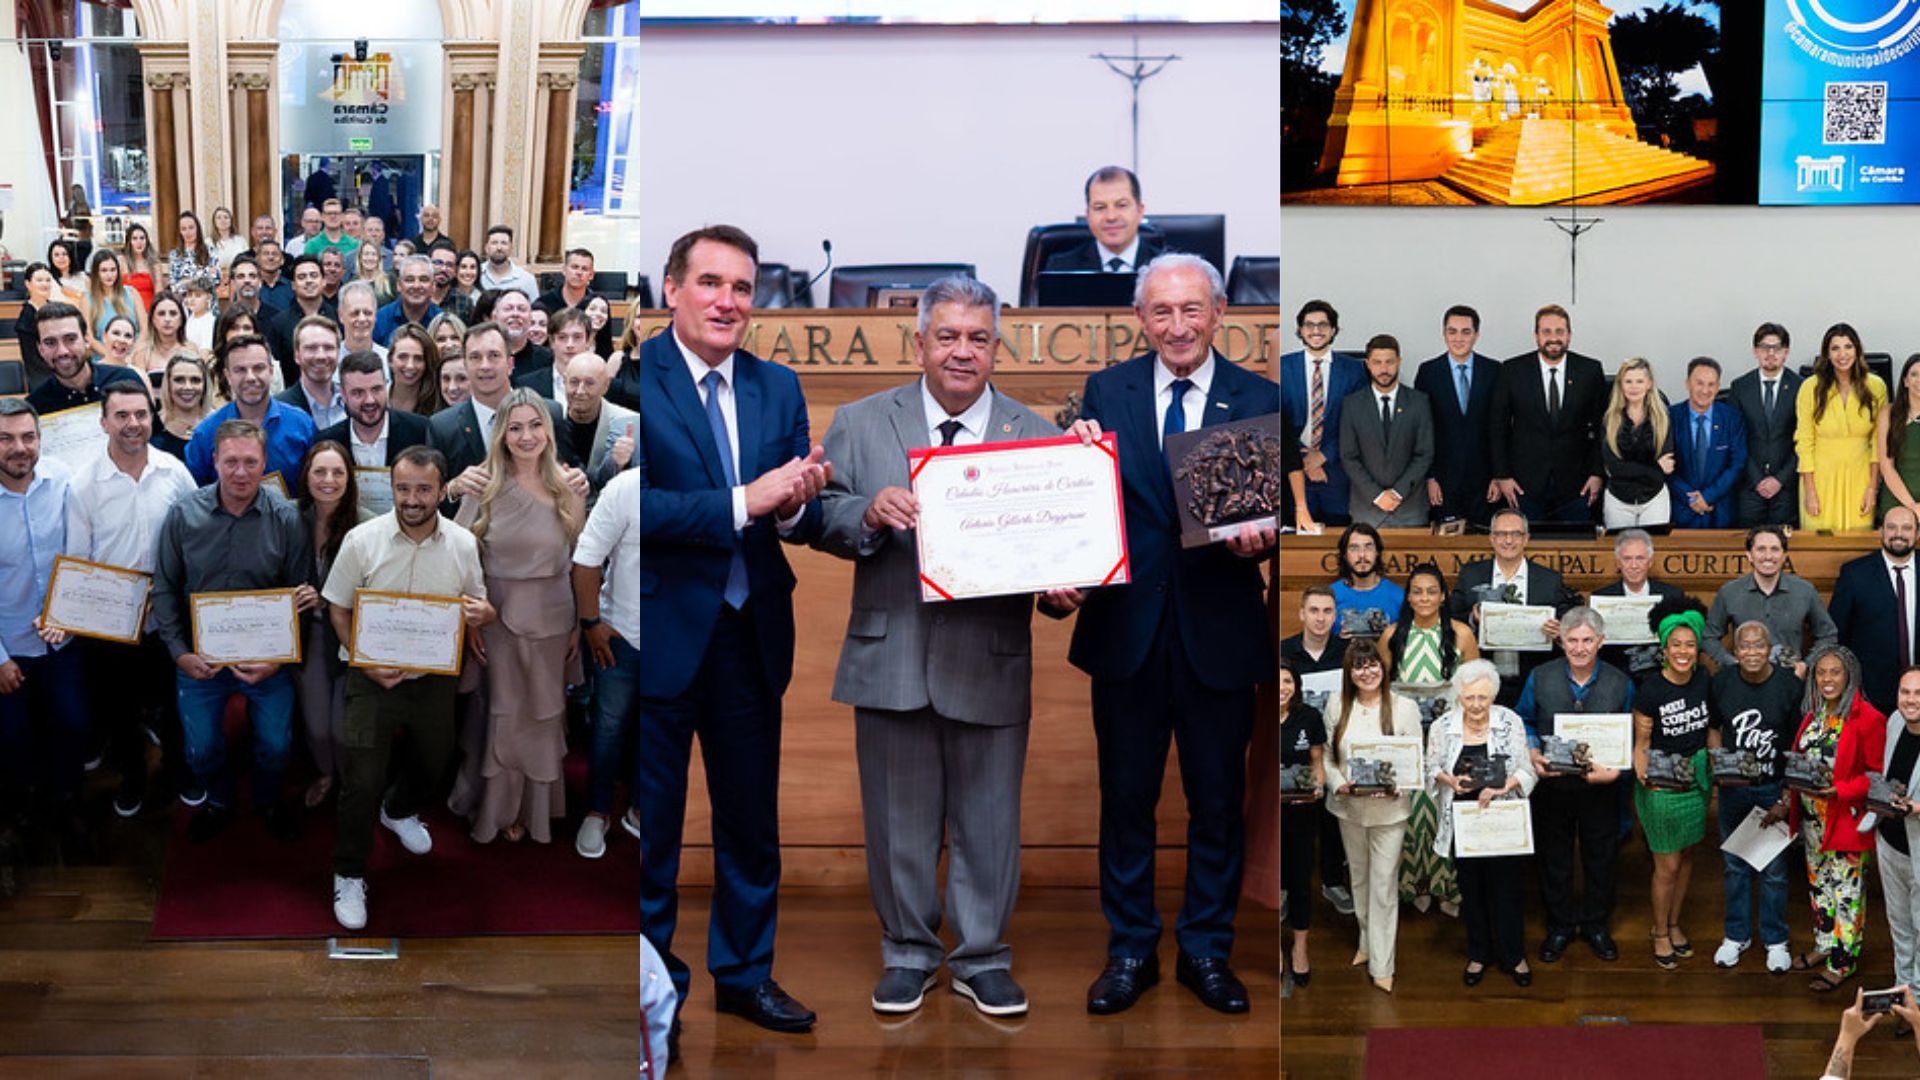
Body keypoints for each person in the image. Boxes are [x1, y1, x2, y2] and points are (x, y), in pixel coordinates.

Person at [808, 276, 1055, 1017]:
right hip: (891, 653)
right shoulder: (858, 421)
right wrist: (866, 513)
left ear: (996, 346)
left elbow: (1056, 553)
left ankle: (983, 957)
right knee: (897, 823)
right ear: (917, 341)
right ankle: (909, 953)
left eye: (978, 338)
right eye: (946, 336)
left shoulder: (1034, 433)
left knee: (989, 822)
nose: (961, 351)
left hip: (992, 654)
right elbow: (812, 514)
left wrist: (1066, 588)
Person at [624, 224, 829, 1034]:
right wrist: (751, 498)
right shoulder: (638, 379)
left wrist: (802, 498)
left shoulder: (777, 388)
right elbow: (637, 508)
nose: (727, 301)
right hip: (664, 634)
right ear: (672, 289)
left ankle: (745, 976)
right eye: (710, 283)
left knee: (750, 823)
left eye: (742, 288)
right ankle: (656, 995)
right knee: (657, 829)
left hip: (751, 635)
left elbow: (795, 517)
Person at [1062, 253, 1277, 1015]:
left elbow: (1275, 514)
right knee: (1126, 800)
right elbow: (1087, 506)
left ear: (1220, 313)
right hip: (1127, 631)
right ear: (1140, 318)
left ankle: (1206, 950)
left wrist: (1268, 538)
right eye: (1161, 312)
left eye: (1192, 310)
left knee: (1215, 803)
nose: (1178, 326)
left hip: (1219, 633)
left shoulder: (1261, 397)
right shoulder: (1104, 392)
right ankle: (1128, 950)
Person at [322, 446, 495, 930]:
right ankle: (350, 872)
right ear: (392, 488)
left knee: (436, 762)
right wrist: (364, 659)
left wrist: (487, 615)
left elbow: (475, 604)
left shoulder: (463, 543)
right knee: (360, 780)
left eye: (423, 489)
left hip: (432, 678)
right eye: (403, 489)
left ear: (443, 490)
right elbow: (337, 608)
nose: (412, 499)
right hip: (369, 677)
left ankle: (397, 811)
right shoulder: (362, 540)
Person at [152, 419, 318, 843]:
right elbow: (166, 587)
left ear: (264, 463)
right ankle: (220, 800)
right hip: (199, 658)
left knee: (277, 746)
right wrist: (178, 653)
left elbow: (299, 598)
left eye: (250, 462)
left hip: (268, 659)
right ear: (214, 461)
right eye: (231, 462)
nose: (240, 472)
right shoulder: (183, 515)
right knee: (200, 750)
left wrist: (277, 659)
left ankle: (266, 799)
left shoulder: (287, 517)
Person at [453, 389, 585, 845]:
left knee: (544, 715)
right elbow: (461, 559)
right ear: (502, 435)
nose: (527, 436)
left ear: (548, 432)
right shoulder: (482, 486)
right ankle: (497, 809)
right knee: (501, 715)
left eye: (535, 426)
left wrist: (577, 625)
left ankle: (537, 812)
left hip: (554, 621)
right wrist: (473, 620)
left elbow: (578, 563)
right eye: (516, 428)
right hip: (495, 620)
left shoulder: (569, 488)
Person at [65, 381, 198, 816]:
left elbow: (195, 540)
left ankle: (179, 769)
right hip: (109, 623)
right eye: (121, 416)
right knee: (118, 709)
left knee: (174, 705)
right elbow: (77, 559)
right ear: (104, 422)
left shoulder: (174, 472)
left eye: (140, 414)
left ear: (151, 416)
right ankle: (133, 778)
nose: (132, 424)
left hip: (168, 618)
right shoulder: (84, 485)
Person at [0, 399, 88, 873]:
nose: (19, 448)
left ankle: (67, 807)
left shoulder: (64, 481)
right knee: (13, 739)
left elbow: (83, 553)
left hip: (64, 641)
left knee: (72, 727)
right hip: (9, 648)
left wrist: (74, 613)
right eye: (6, 439)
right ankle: (23, 818)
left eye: (27, 437)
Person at [1516, 606, 1630, 964]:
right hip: (1555, 785)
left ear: (1600, 642)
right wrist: (1533, 751)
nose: (1579, 648)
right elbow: (1524, 720)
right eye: (1571, 641)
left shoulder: (1620, 682)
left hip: (1602, 787)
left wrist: (1617, 772)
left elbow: (1632, 736)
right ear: (1561, 641)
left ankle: (1596, 925)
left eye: (1587, 641)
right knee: (1555, 858)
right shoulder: (1540, 676)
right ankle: (1560, 926)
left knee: (1602, 858)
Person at [1429, 659, 1538, 987]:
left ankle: (1513, 955)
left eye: (1483, 698)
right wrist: (1448, 780)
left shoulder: (1510, 721)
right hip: (1463, 819)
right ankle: (1478, 954)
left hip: (1501, 816)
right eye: (1469, 698)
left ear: (1493, 696)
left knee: (1506, 889)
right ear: (1458, 696)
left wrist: (1503, 787)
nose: (1476, 705)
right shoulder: (1442, 726)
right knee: (1471, 890)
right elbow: (1429, 765)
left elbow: (1526, 769)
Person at [1786, 645, 1887, 991]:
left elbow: (1876, 775)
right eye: (1821, 672)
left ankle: (1843, 961)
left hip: (1845, 818)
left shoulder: (1869, 718)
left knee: (1846, 893)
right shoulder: (1812, 713)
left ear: (1850, 676)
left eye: (1835, 672)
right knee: (1819, 886)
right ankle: (1824, 944)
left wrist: (1840, 790)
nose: (1827, 679)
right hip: (1813, 821)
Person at [1323, 639, 1420, 994]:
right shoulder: (1336, 705)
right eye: (1359, 666)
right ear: (1350, 673)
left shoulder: (1404, 708)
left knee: (1382, 887)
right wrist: (1339, 784)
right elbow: (1329, 760)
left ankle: (1383, 963)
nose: (1368, 672)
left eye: (1373, 664)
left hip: (1390, 812)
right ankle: (1366, 942)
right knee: (1360, 882)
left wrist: (1400, 787)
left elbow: (1415, 762)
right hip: (1349, 808)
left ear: (1384, 667)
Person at [1709, 621, 1803, 973]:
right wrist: (1723, 767)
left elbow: (1798, 745)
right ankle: (1736, 935)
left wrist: (1786, 795)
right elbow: (1713, 728)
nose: (1751, 652)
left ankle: (1776, 940)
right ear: (1735, 650)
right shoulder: (1721, 682)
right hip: (1735, 789)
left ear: (1770, 648)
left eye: (1758, 645)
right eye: (1744, 646)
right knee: (1735, 867)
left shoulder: (1789, 685)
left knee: (1775, 871)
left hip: (1773, 787)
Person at [1382, 564, 1476, 917]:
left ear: (1442, 595)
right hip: (1406, 740)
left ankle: (1446, 885)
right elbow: (1379, 688)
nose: (1424, 597)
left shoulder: (1461, 634)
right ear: (1409, 596)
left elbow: (1475, 687)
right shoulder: (1393, 634)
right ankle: (1414, 883)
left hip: (1448, 739)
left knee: (1443, 811)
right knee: (1411, 814)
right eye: (1417, 591)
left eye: (1431, 591)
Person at [1632, 599, 1715, 969]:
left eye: (1689, 645)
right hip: (1662, 786)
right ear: (1663, 650)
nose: (1683, 652)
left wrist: (1719, 767)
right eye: (1675, 645)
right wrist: (1647, 778)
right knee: (1666, 865)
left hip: (1696, 782)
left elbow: (1711, 729)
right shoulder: (1650, 690)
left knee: (1686, 859)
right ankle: (1660, 931)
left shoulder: (1704, 681)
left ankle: (1675, 923)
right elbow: (1642, 744)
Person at [431, 322, 581, 505]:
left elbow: (572, 474)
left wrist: (577, 480)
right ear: (466, 365)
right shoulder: (442, 427)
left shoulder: (550, 413)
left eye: (494, 356)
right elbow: (429, 496)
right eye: (475, 357)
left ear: (510, 364)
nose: (484, 365)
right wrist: (454, 488)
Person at [1447, 507, 1580, 706]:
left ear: (1526, 538)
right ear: (1491, 538)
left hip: (1533, 678)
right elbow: (1450, 617)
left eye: (1515, 534)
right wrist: (1473, 618)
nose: (1508, 541)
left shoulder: (1549, 580)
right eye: (1501, 534)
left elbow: (1568, 624)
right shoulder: (1471, 574)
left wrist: (1558, 630)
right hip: (1481, 679)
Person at [1487, 304, 1607, 523]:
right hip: (1524, 486)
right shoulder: (1513, 370)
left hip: (1577, 485)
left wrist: (1597, 473)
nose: (1554, 338)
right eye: (1546, 332)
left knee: (1574, 552)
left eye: (1560, 332)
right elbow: (1498, 427)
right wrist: (1502, 475)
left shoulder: (1589, 370)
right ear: (1536, 335)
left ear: (1569, 335)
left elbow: (1602, 427)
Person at [291, 441, 360, 810]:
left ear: (350, 478)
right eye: (320, 471)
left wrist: (330, 598)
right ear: (306, 475)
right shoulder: (290, 517)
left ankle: (351, 786)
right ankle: (325, 773)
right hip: (307, 637)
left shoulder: (365, 524)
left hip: (350, 637)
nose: (329, 480)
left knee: (342, 729)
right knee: (317, 727)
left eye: (338, 472)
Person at [1281, 585, 1355, 916]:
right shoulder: (1284, 651)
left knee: (1333, 816)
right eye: (1314, 611)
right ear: (1302, 613)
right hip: (1296, 751)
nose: (1321, 618)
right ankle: (1283, 887)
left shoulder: (1347, 652)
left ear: (1335, 616)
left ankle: (1332, 881)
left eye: (1327, 611)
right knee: (1292, 821)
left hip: (1337, 746)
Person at [1702, 525, 1838, 677]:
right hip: (1744, 682)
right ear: (1749, 555)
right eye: (1761, 549)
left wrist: (1807, 665)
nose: (1768, 556)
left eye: (1774, 549)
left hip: (1790, 681)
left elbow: (1828, 635)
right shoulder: (1729, 592)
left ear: (1784, 555)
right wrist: (1732, 664)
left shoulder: (1804, 591)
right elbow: (1708, 637)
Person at [184, 334, 317, 486]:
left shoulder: (302, 425)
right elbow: (196, 496)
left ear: (271, 371)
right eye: (240, 370)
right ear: (227, 376)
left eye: (258, 368)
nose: (250, 377)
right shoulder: (206, 434)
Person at [316, 350, 435, 512]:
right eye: (358, 393)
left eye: (376, 389)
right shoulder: (327, 442)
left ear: (387, 386)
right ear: (343, 394)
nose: (370, 400)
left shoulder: (420, 431)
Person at [1414, 304, 1500, 527]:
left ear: (1476, 335)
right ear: (1444, 334)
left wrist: (1498, 476)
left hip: (1485, 481)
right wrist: (1430, 477)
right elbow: (1422, 430)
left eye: (1466, 332)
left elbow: (1500, 428)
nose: (1458, 338)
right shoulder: (1428, 372)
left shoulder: (1494, 371)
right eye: (1452, 331)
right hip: (1443, 482)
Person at [1279, 300, 1364, 525]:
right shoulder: (1283, 367)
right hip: (1292, 471)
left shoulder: (1355, 370)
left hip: (1336, 473)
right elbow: (1278, 423)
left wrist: (1323, 456)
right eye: (1309, 325)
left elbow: (1357, 424)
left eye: (1323, 325)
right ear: (1300, 330)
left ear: (1333, 330)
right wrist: (1304, 459)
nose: (1316, 331)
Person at [1799, 323, 1889, 531]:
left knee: (1858, 541)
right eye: (1835, 348)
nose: (1842, 354)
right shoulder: (1810, 387)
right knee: (1820, 539)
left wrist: (1872, 489)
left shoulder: (1876, 386)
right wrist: (1810, 490)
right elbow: (1804, 441)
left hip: (1861, 475)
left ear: (1857, 350)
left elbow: (1878, 442)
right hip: (1821, 475)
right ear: (1827, 354)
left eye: (1848, 347)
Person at [1830, 506, 1920, 714]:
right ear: (1881, 531)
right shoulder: (1854, 573)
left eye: (1906, 528)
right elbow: (1837, 634)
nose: (1898, 534)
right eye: (1891, 527)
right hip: (1872, 696)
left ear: (1917, 533)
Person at [1339, 333, 1433, 526]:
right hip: (1367, 509)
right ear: (1367, 364)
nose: (1384, 369)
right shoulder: (1352, 404)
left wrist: (1398, 492)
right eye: (1377, 362)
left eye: (1389, 362)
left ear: (1399, 362)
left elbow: (1424, 453)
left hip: (1410, 509)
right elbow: (1348, 456)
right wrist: (1377, 495)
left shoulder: (1419, 402)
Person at [1590, 529, 1687, 681]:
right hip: (1615, 675)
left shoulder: (1672, 596)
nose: (1634, 565)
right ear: (1618, 563)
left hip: (1660, 674)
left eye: (1640, 558)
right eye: (1627, 559)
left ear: (1650, 562)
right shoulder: (1600, 597)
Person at [1877, 669, 1920, 1007]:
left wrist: (1917, 807)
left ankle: (1916, 1001)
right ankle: (1902, 988)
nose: (1911, 700)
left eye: (1918, 693)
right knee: (1900, 924)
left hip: (1918, 850)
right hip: (1890, 843)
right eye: (1905, 692)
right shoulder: (1894, 722)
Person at [1730, 325, 1800, 527]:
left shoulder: (1801, 387)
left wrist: (1780, 479)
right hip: (1750, 484)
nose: (1771, 354)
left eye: (1777, 348)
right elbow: (1736, 439)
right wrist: (1757, 478)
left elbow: (1804, 440)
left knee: (1785, 548)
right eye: (1764, 347)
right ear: (1755, 351)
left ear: (1786, 352)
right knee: (1747, 545)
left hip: (1787, 484)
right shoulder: (1740, 387)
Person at [1668, 356, 1748, 528]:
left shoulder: (1732, 418)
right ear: (1688, 384)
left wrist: (1708, 496)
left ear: (1718, 387)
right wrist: (1691, 498)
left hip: (1720, 511)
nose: (1705, 390)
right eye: (1699, 383)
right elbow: (1666, 466)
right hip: (1682, 511)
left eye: (1711, 384)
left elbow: (1737, 465)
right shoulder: (1670, 417)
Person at [1598, 357, 1676, 530]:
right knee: (1620, 552)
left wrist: (1643, 469)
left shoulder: (1663, 418)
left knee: (1653, 551)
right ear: (1620, 384)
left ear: (1649, 384)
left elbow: (1667, 468)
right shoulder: (1609, 420)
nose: (1634, 387)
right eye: (1628, 381)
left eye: (1639, 381)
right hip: (1618, 500)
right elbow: (1614, 468)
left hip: (1654, 498)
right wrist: (1654, 466)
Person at [26, 301, 143, 417]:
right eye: (50, 342)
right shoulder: (35, 407)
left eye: (71, 339)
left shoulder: (126, 380)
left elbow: (155, 432)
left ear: (87, 340)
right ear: (40, 349)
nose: (62, 351)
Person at [1044, 165, 1163, 273]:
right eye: (1100, 207)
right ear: (1088, 215)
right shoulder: (1061, 268)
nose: (1111, 217)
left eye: (1121, 205)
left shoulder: (1165, 269)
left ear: (1140, 211)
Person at [559, 354, 636, 505]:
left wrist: (617, 464)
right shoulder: (550, 420)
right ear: (564, 382)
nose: (580, 391)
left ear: (605, 386)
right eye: (574, 382)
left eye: (589, 383)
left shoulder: (629, 423)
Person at [267, 255, 339, 385]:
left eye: (313, 275)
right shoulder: (279, 323)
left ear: (323, 281)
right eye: (302, 277)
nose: (308, 281)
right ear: (293, 285)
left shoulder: (338, 317)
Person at [1329, 523, 1404, 639]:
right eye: (1354, 548)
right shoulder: (1330, 596)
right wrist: (1338, 642)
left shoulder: (1399, 596)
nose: (1362, 555)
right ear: (1344, 555)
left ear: (1377, 552)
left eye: (1368, 547)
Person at [276, 316, 348, 430]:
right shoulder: (279, 409)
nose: (321, 356)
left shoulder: (352, 402)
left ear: (338, 353)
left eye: (328, 347)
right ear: (297, 355)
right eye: (311, 348)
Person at [516, 307, 594, 400]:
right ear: (552, 341)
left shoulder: (603, 384)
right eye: (562, 337)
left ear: (588, 341)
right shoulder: (527, 385)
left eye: (577, 337)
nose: (570, 345)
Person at [1879, 355, 1920, 521]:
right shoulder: (1888, 414)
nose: (1919, 380)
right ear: (1905, 381)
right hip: (1896, 499)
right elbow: (1886, 466)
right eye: (1914, 374)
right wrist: (1912, 506)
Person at [82, 249, 145, 356]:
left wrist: (133, 354)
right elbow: (89, 338)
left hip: (134, 356)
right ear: (96, 273)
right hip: (104, 358)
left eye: (113, 270)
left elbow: (145, 329)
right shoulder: (87, 299)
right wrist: (112, 358)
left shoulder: (132, 293)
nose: (109, 275)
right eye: (104, 270)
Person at [132, 292, 207, 382]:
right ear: (153, 320)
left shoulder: (190, 350)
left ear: (181, 320)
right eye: (161, 313)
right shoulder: (142, 354)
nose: (167, 319)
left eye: (173, 313)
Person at [153, 353, 215, 460]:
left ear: (205, 385)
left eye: (195, 380)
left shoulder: (218, 425)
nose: (188, 387)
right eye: (179, 380)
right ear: (168, 383)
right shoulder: (152, 426)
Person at [372, 256, 442, 347]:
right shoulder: (380, 320)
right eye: (409, 280)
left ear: (433, 286)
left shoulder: (441, 322)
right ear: (399, 285)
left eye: (423, 279)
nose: (416, 286)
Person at [15, 263, 61, 390]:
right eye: (39, 280)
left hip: (62, 370)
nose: (44, 284)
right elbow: (33, 359)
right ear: (28, 284)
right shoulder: (26, 318)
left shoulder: (56, 310)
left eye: (47, 280)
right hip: (41, 376)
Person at [385, 324, 444, 417]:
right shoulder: (377, 400)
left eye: (418, 358)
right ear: (390, 360)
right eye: (403, 357)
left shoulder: (438, 404)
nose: (410, 366)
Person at [492, 290, 551, 379]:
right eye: (508, 309)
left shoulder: (547, 359)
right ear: (494, 317)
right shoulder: (482, 357)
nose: (515, 314)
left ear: (530, 318)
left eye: (521, 309)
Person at [162, 211, 220, 296]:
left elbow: (216, 279)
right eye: (184, 229)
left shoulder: (210, 251)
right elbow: (174, 286)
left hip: (207, 302)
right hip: (185, 303)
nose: (188, 232)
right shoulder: (175, 255)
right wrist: (203, 274)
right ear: (180, 232)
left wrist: (187, 281)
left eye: (191, 227)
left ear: (197, 228)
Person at [478, 225, 539, 299]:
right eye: (494, 243)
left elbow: (535, 309)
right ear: (486, 248)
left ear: (511, 248)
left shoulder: (527, 280)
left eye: (504, 243)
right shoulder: (475, 274)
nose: (499, 248)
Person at [535, 248, 598, 317]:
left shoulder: (597, 305)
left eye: (584, 269)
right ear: (564, 270)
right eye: (575, 267)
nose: (579, 272)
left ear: (591, 275)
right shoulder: (545, 302)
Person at [121, 223, 158, 312]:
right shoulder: (121, 261)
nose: (139, 242)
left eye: (142, 238)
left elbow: (158, 294)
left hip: (150, 311)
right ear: (129, 242)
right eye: (134, 239)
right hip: (128, 311)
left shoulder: (154, 263)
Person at [351, 241, 395, 307]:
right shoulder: (353, 282)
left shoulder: (389, 279)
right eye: (366, 254)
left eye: (374, 254)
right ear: (360, 257)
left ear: (379, 258)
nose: (370, 258)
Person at [255, 238, 293, 312]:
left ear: (282, 260)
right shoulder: (250, 286)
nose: (270, 257)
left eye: (274, 254)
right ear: (257, 259)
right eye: (266, 254)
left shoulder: (292, 288)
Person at [208, 206, 246, 273]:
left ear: (231, 221)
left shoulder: (240, 240)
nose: (223, 220)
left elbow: (247, 260)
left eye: (226, 217)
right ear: (214, 222)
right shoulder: (208, 242)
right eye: (219, 218)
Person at [585, 294, 615, 360]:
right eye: (592, 309)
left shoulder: (606, 347)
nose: (598, 314)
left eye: (603, 311)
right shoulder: (570, 343)